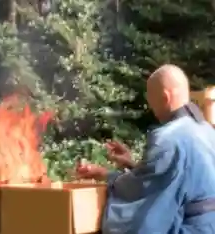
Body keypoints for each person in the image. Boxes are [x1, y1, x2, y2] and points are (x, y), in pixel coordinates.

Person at [76, 64, 215, 234]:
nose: (152, 109)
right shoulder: (207, 130)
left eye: (152, 101)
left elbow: (144, 188)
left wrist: (106, 175)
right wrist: (132, 164)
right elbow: (177, 176)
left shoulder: (168, 138)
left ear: (165, 97)